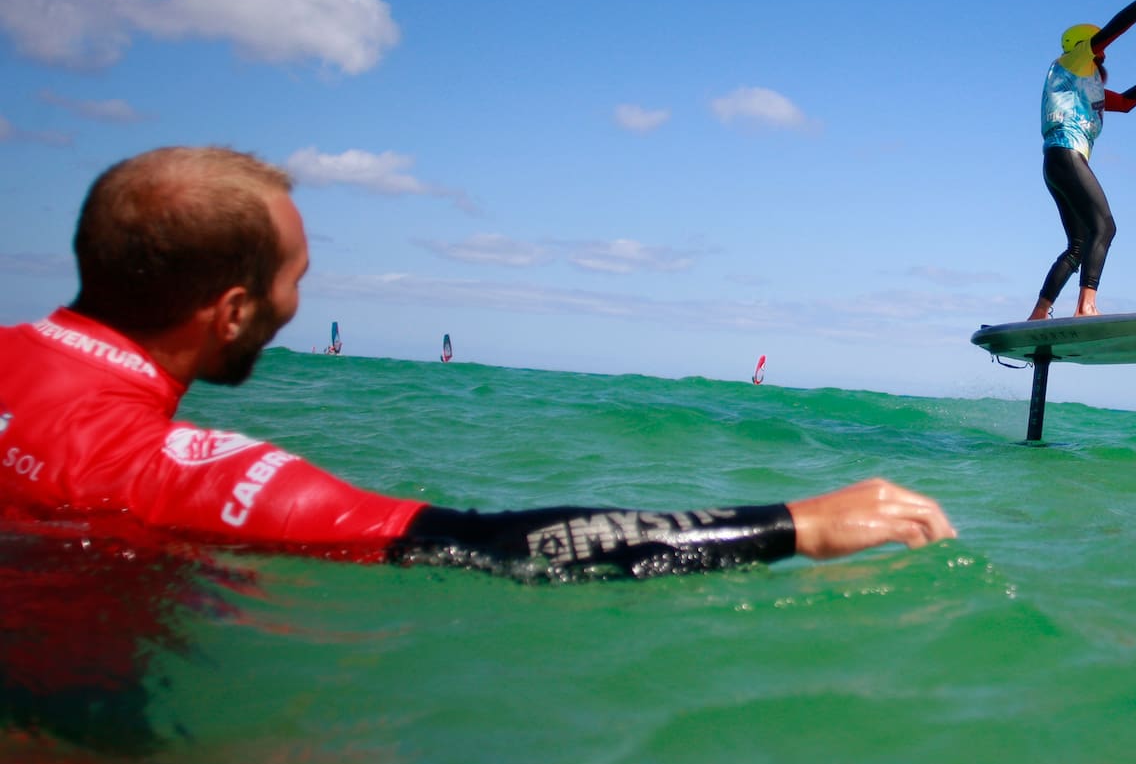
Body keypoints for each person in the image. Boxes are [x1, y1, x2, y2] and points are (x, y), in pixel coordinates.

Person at [0, 147, 955, 580]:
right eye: (296, 282)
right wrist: (794, 524)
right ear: (236, 310)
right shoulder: (160, 469)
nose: (296, 308)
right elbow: (492, 544)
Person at [1030, 0, 1136, 320]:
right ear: (1085, 47)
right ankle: (1087, 306)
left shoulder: (1084, 86)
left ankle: (1039, 313)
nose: (1104, 57)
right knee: (1105, 227)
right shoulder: (1071, 62)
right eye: (1100, 51)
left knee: (1079, 245)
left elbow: (1126, 102)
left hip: (1056, 162)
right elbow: (1115, 29)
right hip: (1067, 155)